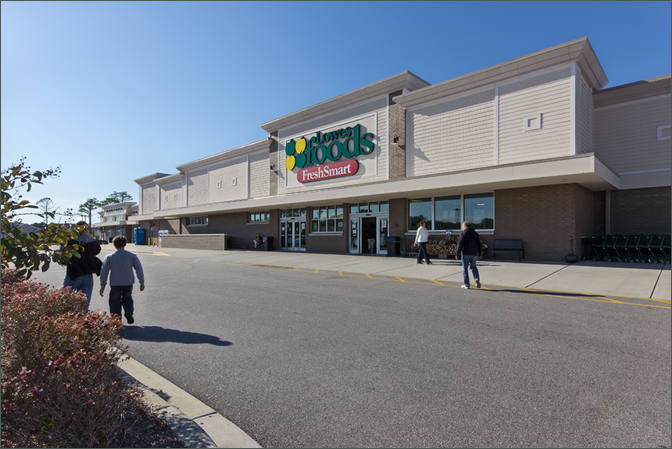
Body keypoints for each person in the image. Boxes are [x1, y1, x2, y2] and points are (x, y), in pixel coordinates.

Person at [99, 236, 145, 324]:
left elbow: (104, 272)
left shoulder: (110, 257)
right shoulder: (132, 256)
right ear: (125, 244)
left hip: (115, 284)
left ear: (114, 245)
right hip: (128, 283)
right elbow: (139, 269)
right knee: (127, 298)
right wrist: (141, 282)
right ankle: (128, 313)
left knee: (114, 301)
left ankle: (116, 319)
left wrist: (102, 285)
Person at [63, 221, 102, 309]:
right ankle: (82, 317)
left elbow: (63, 257)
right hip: (87, 273)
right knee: (84, 302)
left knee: (65, 298)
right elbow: (97, 251)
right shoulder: (93, 242)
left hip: (73, 274)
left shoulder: (71, 242)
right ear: (86, 229)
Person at [456, 221, 481, 289]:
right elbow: (479, 244)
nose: (462, 227)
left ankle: (466, 285)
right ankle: (476, 279)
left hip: (465, 253)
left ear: (465, 226)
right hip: (474, 253)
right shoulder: (475, 233)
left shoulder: (463, 233)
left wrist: (457, 253)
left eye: (462, 226)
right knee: (474, 267)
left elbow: (460, 244)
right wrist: (479, 253)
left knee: (465, 269)